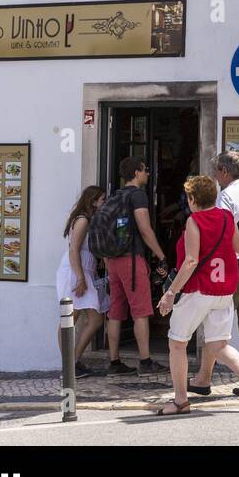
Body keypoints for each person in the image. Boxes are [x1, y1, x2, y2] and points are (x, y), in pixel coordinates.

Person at [155, 175, 239, 414]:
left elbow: (191, 260)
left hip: (199, 289)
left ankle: (180, 401)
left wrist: (170, 293)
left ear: (193, 198)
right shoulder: (226, 217)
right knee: (218, 344)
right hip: (224, 291)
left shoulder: (194, 221)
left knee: (177, 342)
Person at [186, 152, 239, 400]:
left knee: (214, 325)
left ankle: (203, 379)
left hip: (234, 266)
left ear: (223, 170)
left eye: (215, 172)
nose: (214, 177)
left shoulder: (228, 196)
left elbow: (218, 230)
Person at [104, 157, 167, 376]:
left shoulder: (115, 195)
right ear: (137, 172)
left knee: (115, 312)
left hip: (113, 259)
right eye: (146, 170)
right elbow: (145, 229)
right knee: (140, 311)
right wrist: (161, 255)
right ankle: (146, 361)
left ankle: (114, 362)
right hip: (131, 259)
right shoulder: (138, 195)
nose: (148, 174)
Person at [56, 186, 107, 377]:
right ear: (93, 201)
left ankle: (73, 362)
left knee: (94, 319)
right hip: (75, 272)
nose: (104, 203)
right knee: (70, 319)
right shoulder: (83, 220)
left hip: (83, 271)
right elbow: (73, 250)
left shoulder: (87, 220)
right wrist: (80, 278)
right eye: (102, 199)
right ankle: (70, 366)